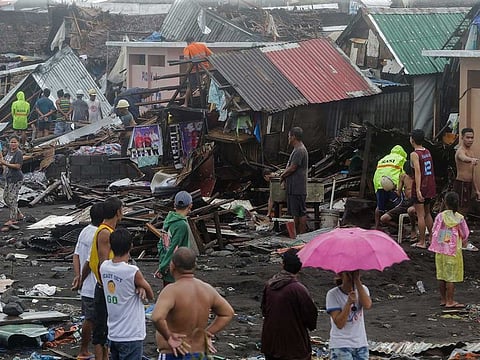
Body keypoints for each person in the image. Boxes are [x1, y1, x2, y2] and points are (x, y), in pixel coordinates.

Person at [152, 247, 234, 358]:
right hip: (198, 353)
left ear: (173, 266)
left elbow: (157, 317)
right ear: (194, 266)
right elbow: (228, 313)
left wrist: (169, 337)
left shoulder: (171, 291)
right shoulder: (207, 289)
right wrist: (207, 333)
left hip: (174, 352)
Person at [100, 228, 154, 359]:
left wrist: (138, 286)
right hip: (131, 334)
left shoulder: (104, 267)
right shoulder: (132, 271)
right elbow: (150, 295)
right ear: (131, 246)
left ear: (111, 246)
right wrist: (140, 287)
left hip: (113, 332)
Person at [261, 249, 318, 360]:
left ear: (283, 265)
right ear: (300, 267)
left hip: (270, 341)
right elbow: (310, 315)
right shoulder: (298, 289)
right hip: (293, 344)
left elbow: (264, 309)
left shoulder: (270, 285)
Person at [87, 196, 123, 360]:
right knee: (101, 329)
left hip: (107, 287)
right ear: (118, 212)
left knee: (107, 328)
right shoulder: (104, 233)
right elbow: (104, 264)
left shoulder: (107, 231)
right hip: (104, 288)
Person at [71, 202, 104, 359]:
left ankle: (85, 349)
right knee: (92, 320)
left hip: (86, 286)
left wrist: (77, 277)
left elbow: (76, 255)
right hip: (92, 285)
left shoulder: (85, 231)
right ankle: (84, 350)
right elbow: (91, 262)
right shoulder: (98, 234)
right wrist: (82, 279)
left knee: (89, 318)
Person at [428, 192, 469, 308]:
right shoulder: (459, 218)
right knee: (451, 277)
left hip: (441, 249)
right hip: (453, 250)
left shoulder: (440, 216)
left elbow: (434, 230)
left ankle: (443, 299)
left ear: (445, 203)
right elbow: (465, 234)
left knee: (441, 275)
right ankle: (450, 301)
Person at [326, 271, 372, 360]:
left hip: (361, 344)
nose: (352, 277)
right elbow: (339, 324)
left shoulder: (363, 289)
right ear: (340, 275)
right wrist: (348, 303)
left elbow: (367, 305)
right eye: (348, 274)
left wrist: (357, 281)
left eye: (355, 273)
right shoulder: (332, 294)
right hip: (341, 345)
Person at [155, 191, 195, 287]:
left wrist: (162, 263)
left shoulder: (168, 220)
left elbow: (161, 244)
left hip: (166, 266)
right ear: (190, 206)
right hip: (177, 269)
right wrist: (163, 267)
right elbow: (174, 249)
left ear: (174, 205)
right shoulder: (182, 225)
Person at [454, 128, 479, 251]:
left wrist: (476, 189)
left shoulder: (472, 152)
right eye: (467, 137)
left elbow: (473, 173)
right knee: (459, 214)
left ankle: (459, 239)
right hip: (461, 184)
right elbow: (463, 158)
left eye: (472, 137)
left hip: (468, 186)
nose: (470, 140)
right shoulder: (461, 150)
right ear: (462, 137)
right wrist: (471, 160)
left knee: (463, 214)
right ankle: (462, 242)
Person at [410, 129, 436, 249]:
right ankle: (431, 237)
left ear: (412, 140)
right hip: (430, 185)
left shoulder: (414, 154)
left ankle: (422, 241)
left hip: (421, 185)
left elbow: (418, 173)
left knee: (420, 215)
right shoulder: (428, 151)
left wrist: (418, 189)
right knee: (427, 213)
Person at [280, 127, 308, 235]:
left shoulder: (300, 150)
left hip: (298, 187)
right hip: (294, 187)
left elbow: (293, 167)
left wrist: (282, 175)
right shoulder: (296, 149)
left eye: (289, 136)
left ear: (293, 137)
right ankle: (296, 234)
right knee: (296, 212)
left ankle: (302, 234)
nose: (288, 138)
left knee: (301, 212)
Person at [373, 145, 407, 229]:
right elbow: (404, 175)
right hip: (393, 185)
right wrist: (402, 188)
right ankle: (399, 227)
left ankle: (377, 226)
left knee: (379, 206)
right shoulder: (401, 159)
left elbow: (376, 174)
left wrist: (376, 188)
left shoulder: (382, 159)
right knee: (399, 207)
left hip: (380, 183)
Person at [380, 161, 417, 241]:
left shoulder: (418, 177)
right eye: (409, 173)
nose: (411, 175)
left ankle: (413, 229)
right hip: (404, 203)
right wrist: (391, 188)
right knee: (384, 218)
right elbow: (398, 193)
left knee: (411, 210)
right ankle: (402, 229)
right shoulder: (403, 176)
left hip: (415, 203)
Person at [0, 136, 24, 231]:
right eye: (11, 142)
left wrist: (5, 163)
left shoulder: (18, 153)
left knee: (12, 199)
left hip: (16, 179)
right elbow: (5, 161)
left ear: (18, 143)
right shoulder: (10, 152)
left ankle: (13, 219)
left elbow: (18, 166)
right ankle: (19, 214)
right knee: (6, 198)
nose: (13, 144)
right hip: (9, 178)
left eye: (15, 142)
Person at [183, 37, 213, 107]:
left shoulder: (187, 48)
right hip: (205, 69)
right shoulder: (202, 46)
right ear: (194, 41)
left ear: (187, 42)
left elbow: (186, 58)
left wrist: (188, 68)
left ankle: (185, 103)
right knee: (207, 85)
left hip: (194, 70)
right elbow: (211, 54)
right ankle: (209, 103)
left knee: (190, 86)